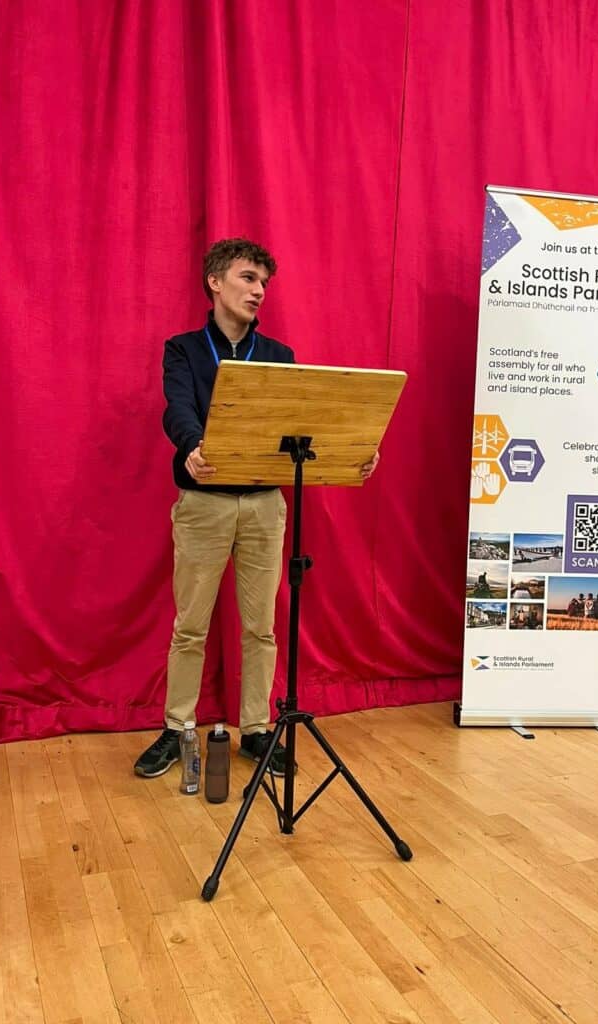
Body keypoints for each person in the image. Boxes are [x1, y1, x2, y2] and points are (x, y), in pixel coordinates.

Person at [134, 238, 379, 780]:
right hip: (204, 505)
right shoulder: (183, 350)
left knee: (261, 629)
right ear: (215, 282)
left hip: (266, 507)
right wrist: (193, 446)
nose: (258, 290)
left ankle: (257, 730)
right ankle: (177, 728)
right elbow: (177, 408)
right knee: (190, 627)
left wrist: (354, 449)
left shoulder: (278, 357)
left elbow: (303, 428)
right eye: (248, 278)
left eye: (263, 282)